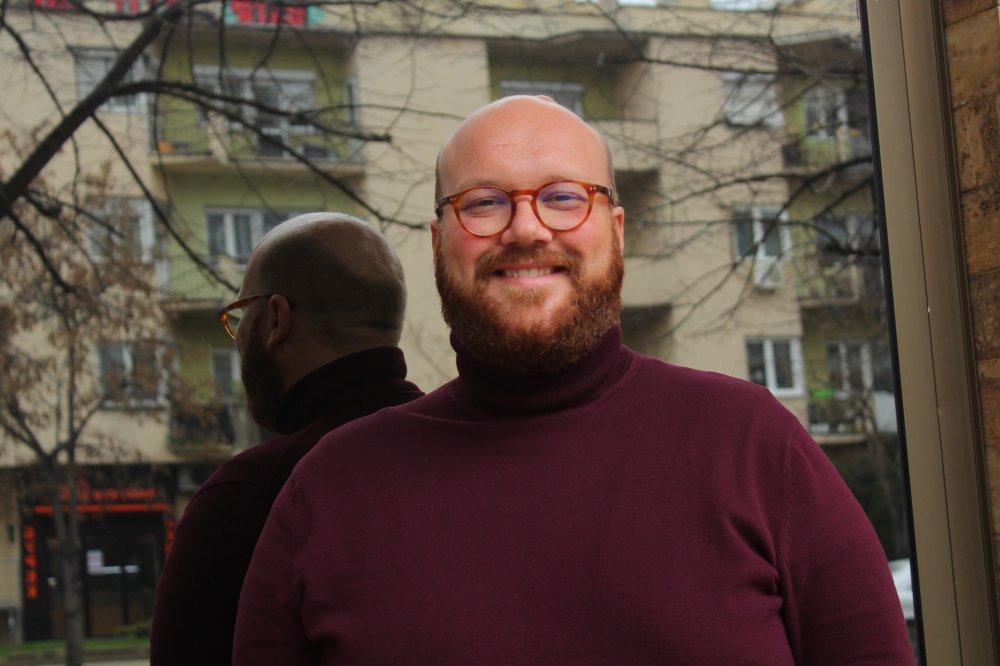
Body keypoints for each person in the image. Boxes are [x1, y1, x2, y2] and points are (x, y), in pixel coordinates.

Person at [233, 97, 916, 665]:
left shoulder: (754, 447)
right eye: (484, 202)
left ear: (616, 232)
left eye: (564, 197)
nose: (527, 228)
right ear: (439, 241)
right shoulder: (330, 492)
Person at [149, 213, 423, 665]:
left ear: (277, 318)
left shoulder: (249, 497)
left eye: (241, 315)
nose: (238, 338)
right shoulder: (464, 462)